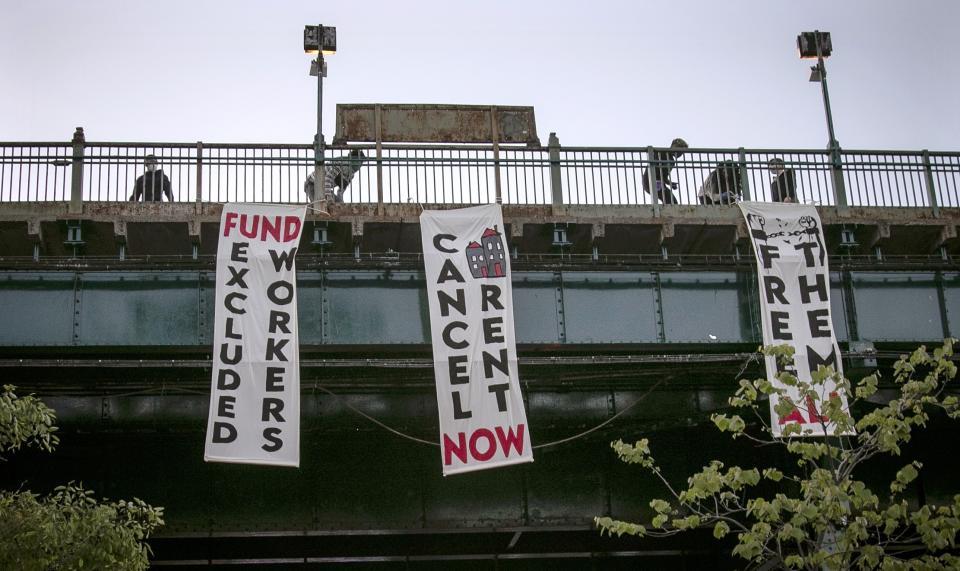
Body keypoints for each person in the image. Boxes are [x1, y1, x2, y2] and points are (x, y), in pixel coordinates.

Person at [642, 138, 688, 204]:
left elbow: (664, 176)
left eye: (682, 153)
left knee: (671, 201)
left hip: (657, 183)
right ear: (673, 146)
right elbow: (656, 169)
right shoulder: (661, 153)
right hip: (651, 181)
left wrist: (670, 183)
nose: (681, 154)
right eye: (680, 151)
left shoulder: (672, 161)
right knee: (672, 202)